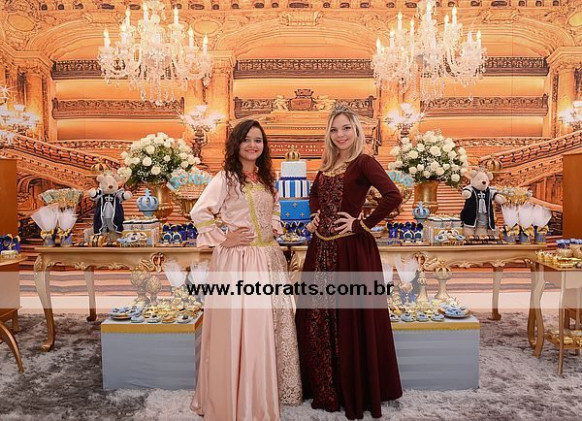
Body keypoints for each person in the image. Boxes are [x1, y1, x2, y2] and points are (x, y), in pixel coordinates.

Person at [295, 104, 403, 420]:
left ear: (356, 131)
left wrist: (361, 223)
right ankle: (324, 387)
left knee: (349, 320)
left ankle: (350, 389)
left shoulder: (364, 162)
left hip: (351, 252)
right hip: (320, 249)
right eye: (334, 129)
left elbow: (393, 196)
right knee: (317, 318)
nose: (340, 135)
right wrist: (314, 215)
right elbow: (314, 195)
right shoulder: (327, 164)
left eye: (345, 128)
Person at [190, 119, 302, 420]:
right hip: (239, 262)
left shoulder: (266, 177)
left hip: (269, 257)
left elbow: (275, 207)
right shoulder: (226, 178)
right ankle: (239, 396)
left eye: (258, 140)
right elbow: (200, 212)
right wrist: (223, 238)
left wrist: (274, 225)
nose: (253, 145)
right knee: (245, 327)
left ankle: (263, 392)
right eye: (247, 140)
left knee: (269, 325)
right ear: (236, 143)